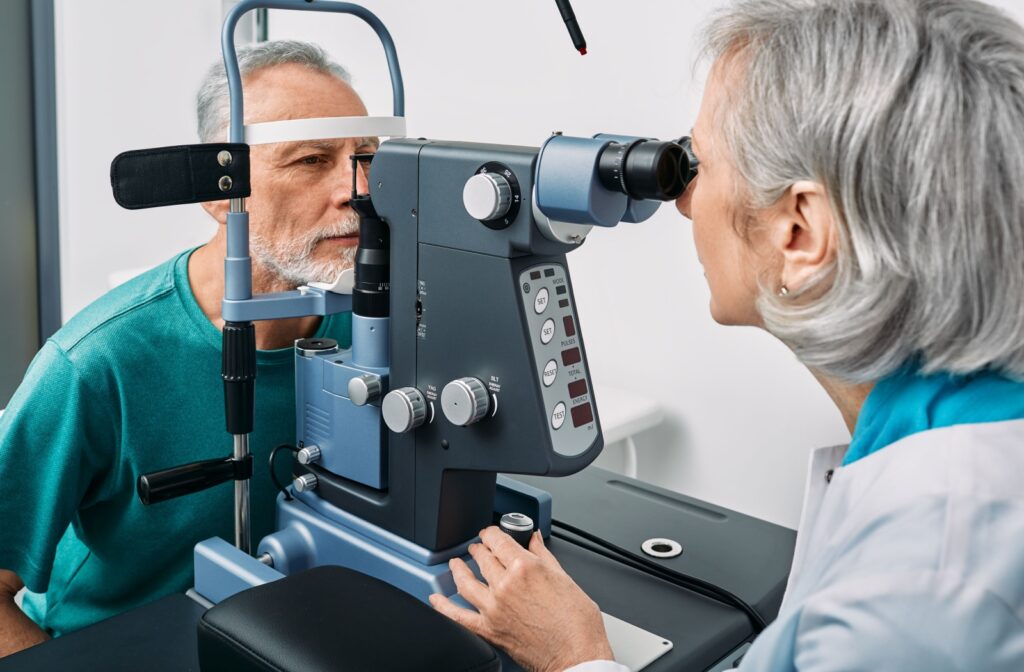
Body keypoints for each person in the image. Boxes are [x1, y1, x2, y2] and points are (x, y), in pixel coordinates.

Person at [430, 1, 1024, 670]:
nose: (683, 199)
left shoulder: (920, 595)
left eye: (701, 163)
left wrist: (577, 656)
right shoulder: (956, 438)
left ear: (799, 233)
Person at [0, 40, 378, 656]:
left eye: (368, 158)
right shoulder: (97, 364)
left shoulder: (373, 330)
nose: (356, 190)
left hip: (290, 637)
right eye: (311, 159)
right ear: (216, 193)